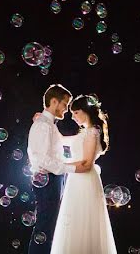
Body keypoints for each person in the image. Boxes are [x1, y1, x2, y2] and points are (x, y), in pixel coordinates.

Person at [34, 94, 117, 253]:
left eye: (76, 112)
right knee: (74, 221)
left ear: (86, 111)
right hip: (76, 180)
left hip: (84, 181)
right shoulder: (85, 133)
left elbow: (86, 163)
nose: (73, 117)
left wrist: (58, 166)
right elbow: (61, 139)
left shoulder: (92, 132)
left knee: (83, 220)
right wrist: (46, 122)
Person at [27, 84, 80, 253]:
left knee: (50, 225)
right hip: (47, 179)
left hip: (52, 179)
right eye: (64, 104)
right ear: (54, 101)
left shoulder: (49, 124)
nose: (66, 109)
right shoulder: (43, 125)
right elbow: (42, 159)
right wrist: (70, 168)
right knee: (45, 225)